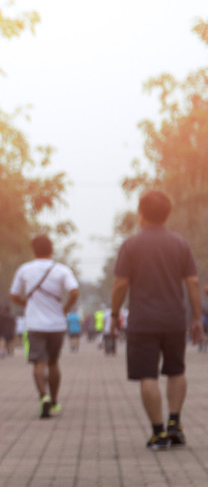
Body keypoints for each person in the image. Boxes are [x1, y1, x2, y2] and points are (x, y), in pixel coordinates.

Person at [111, 190, 203, 451]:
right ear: (167, 214)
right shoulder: (180, 244)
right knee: (176, 369)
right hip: (174, 319)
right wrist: (196, 318)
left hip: (143, 322)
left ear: (140, 214)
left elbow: (120, 285)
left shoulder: (130, 246)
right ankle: (175, 423)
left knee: (147, 375)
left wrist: (115, 315)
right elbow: (193, 283)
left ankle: (158, 433)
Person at [10, 235, 80, 419]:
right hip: (56, 324)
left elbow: (14, 294)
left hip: (34, 324)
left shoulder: (25, 269)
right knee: (53, 362)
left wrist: (27, 303)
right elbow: (74, 290)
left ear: (34, 250)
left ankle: (43, 396)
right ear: (51, 250)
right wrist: (65, 308)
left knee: (38, 363)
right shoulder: (61, 270)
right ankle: (55, 401)